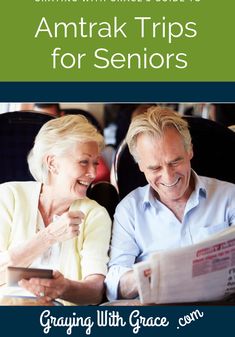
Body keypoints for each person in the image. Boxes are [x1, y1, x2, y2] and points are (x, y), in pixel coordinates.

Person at [105, 106, 235, 301]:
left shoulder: (230, 196)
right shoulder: (129, 210)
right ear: (140, 165)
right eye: (155, 167)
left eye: (175, 162)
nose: (168, 176)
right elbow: (114, 285)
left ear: (189, 150)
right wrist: (150, 273)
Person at [0, 114, 111, 305]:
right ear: (52, 163)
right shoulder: (8, 196)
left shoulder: (95, 214)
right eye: (84, 162)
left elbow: (95, 292)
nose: (93, 173)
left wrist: (63, 288)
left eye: (95, 163)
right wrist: (48, 236)